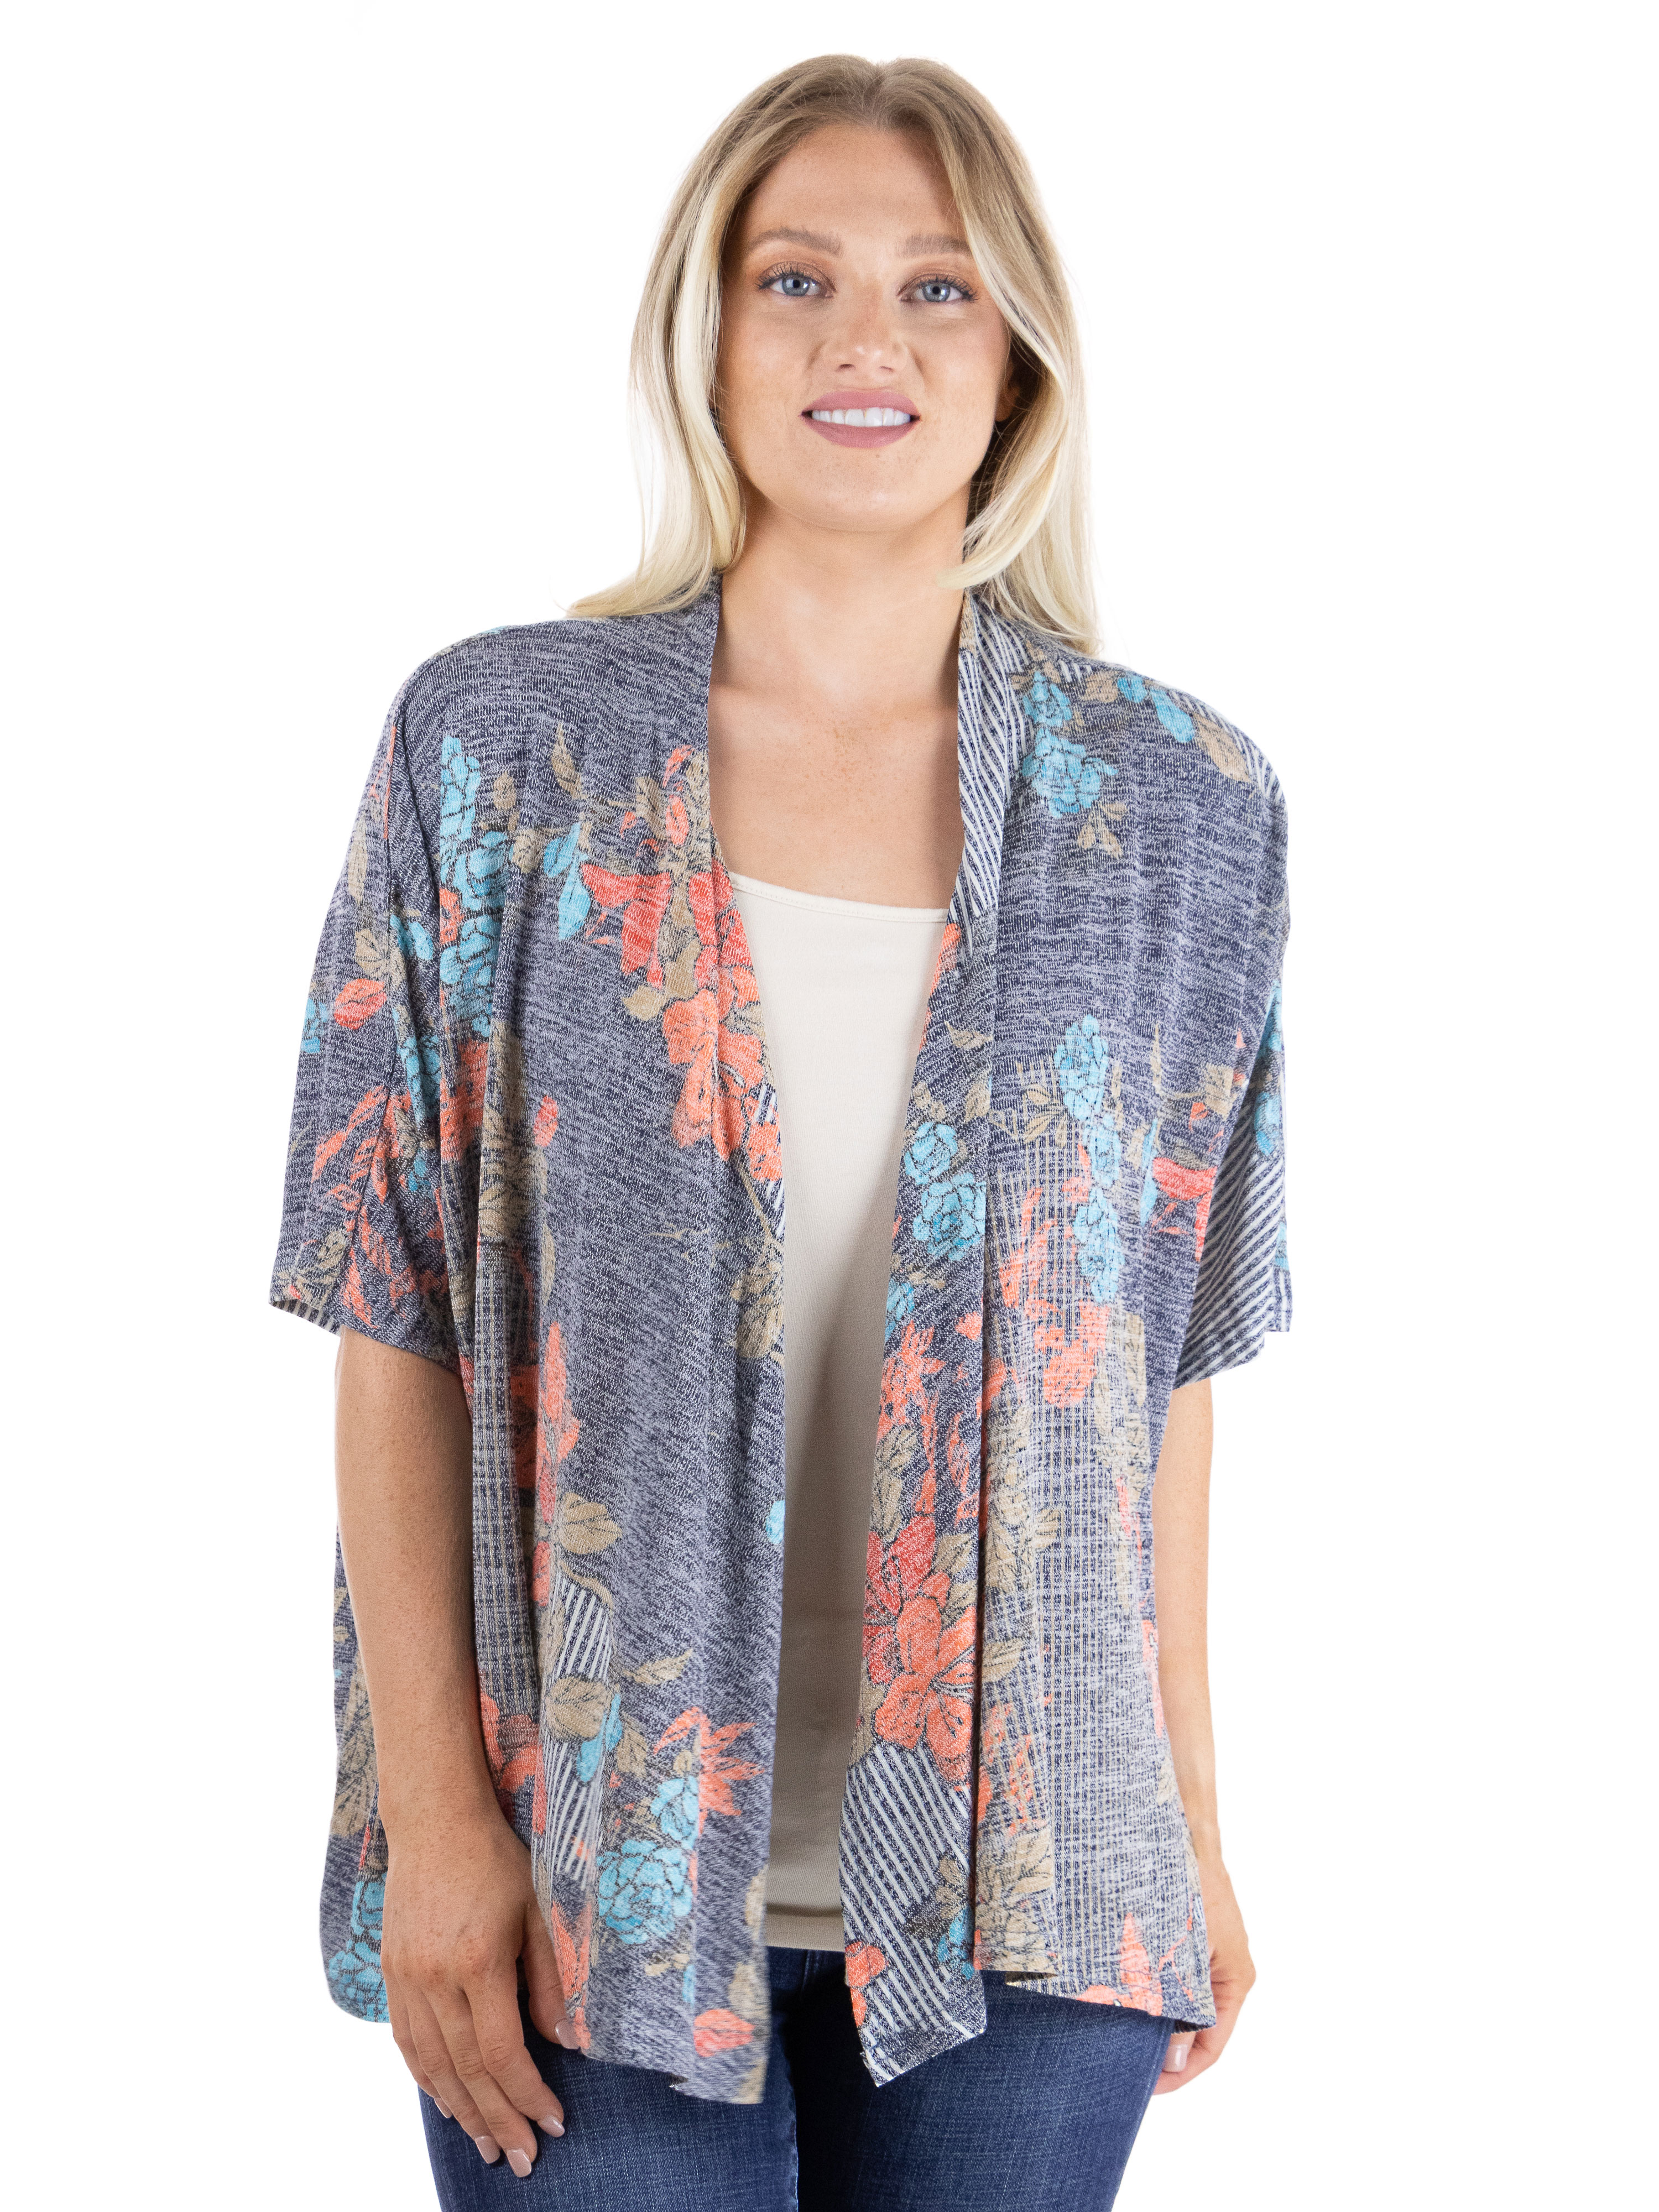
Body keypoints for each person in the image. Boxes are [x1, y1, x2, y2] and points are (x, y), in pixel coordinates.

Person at [269, 51, 1291, 2211]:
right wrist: (437, 1820)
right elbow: (393, 1306)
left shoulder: (1182, 809)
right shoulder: (502, 757)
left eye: (938, 287)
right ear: (707, 331)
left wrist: (1192, 1821)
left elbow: (1163, 1360)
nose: (864, 341)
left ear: (1017, 356)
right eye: (797, 277)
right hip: (589, 1861)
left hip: (1037, 1884)